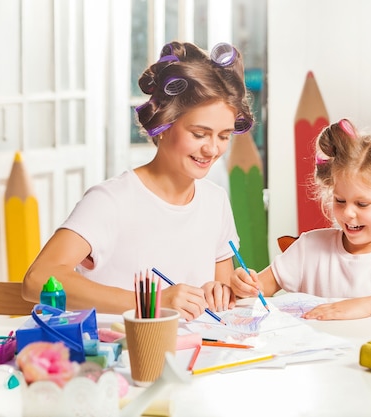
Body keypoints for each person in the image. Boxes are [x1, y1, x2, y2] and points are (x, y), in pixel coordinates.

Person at [23, 41, 254, 321]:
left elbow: (220, 295)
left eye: (224, 135)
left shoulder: (215, 201)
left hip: (193, 356)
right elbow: (37, 280)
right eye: (199, 134)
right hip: (120, 355)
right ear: (164, 125)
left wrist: (226, 291)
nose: (212, 149)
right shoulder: (111, 200)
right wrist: (152, 303)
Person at [230, 119, 371, 320]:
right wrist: (245, 285)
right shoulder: (310, 247)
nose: (348, 213)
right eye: (340, 201)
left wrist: (363, 306)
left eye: (362, 204)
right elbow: (259, 289)